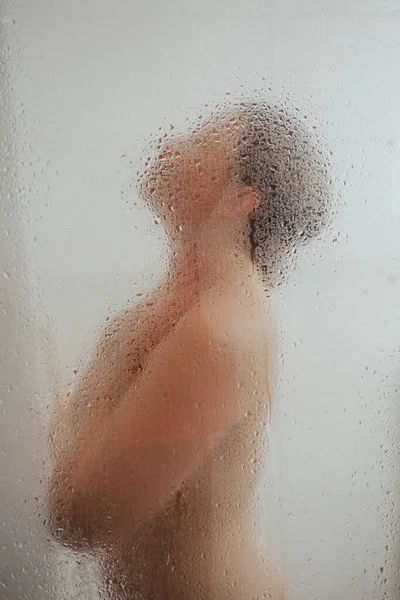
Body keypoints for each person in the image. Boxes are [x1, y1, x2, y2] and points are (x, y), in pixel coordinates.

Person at [48, 101, 330, 599]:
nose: (173, 142)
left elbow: (79, 518)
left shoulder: (217, 332)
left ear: (241, 199)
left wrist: (65, 365)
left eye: (202, 141)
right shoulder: (190, 303)